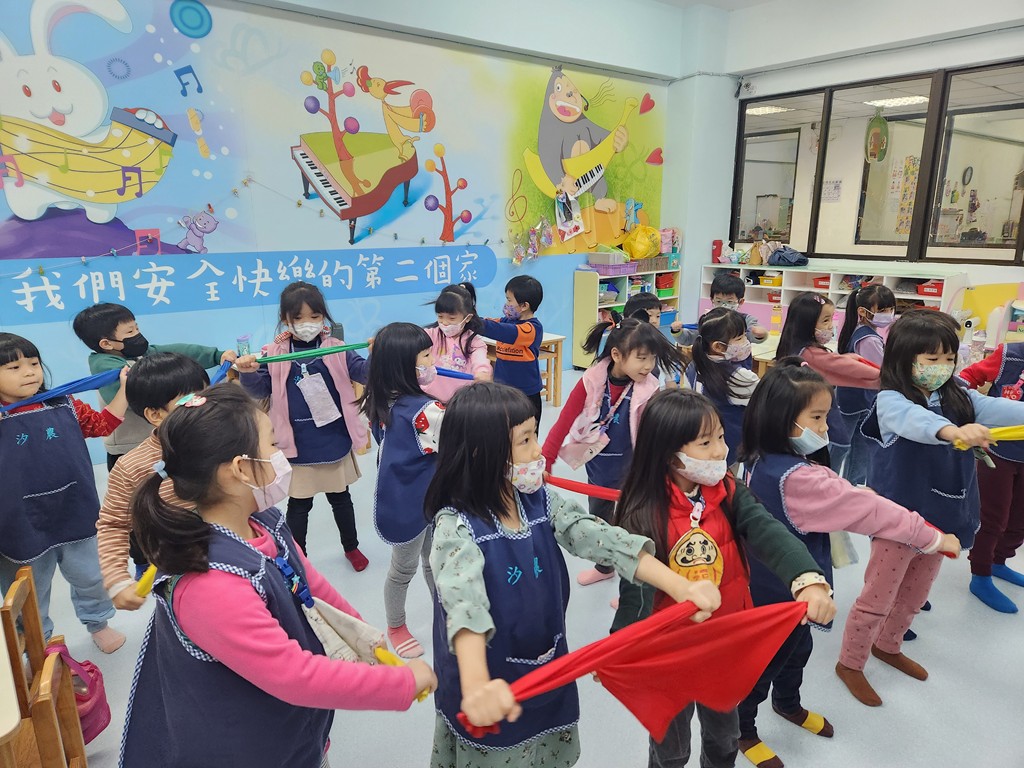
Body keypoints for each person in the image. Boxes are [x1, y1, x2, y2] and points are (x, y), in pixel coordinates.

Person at [120, 385, 435, 767]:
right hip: (247, 747)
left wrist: (363, 636)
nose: (281, 453)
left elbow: (309, 582)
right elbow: (293, 676)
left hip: (291, 725)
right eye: (272, 443)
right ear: (240, 469)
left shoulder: (261, 521)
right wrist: (400, 684)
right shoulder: (210, 588)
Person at [424, 381, 721, 768]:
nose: (538, 451)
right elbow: (464, 605)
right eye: (525, 441)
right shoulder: (456, 528)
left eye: (535, 435)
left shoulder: (539, 500)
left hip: (546, 665)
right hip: (485, 681)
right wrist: (478, 682)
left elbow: (602, 538)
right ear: (481, 452)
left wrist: (680, 585)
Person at [736, 360, 960, 768]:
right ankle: (743, 730)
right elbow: (871, 512)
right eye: (817, 418)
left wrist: (851, 490)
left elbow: (842, 496)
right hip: (781, 591)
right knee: (763, 666)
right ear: (781, 419)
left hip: (771, 584)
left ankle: (788, 704)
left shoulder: (761, 455)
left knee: (798, 650)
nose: (825, 427)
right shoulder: (798, 477)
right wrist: (933, 537)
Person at [611, 388, 836, 768]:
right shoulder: (642, 512)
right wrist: (622, 648)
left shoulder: (728, 490)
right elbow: (636, 590)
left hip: (724, 645)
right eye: (705, 443)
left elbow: (767, 530)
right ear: (668, 453)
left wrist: (807, 578)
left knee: (725, 739)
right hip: (672, 654)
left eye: (720, 436)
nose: (720, 450)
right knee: (671, 750)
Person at [836, 310, 1024, 707]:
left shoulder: (958, 395)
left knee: (914, 595)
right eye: (932, 359)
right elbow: (915, 421)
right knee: (877, 598)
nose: (942, 367)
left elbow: (1000, 410)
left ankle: (888, 645)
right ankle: (850, 663)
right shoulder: (890, 400)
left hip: (942, 517)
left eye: (949, 358)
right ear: (904, 359)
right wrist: (954, 431)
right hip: (898, 520)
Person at [73, 301, 235, 575]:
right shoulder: (106, 367)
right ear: (106, 343)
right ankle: (142, 559)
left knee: (180, 500)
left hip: (173, 443)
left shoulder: (145, 355)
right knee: (140, 511)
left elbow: (181, 351)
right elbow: (114, 521)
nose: (138, 335)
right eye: (129, 332)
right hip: (129, 450)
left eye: (136, 328)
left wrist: (216, 355)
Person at [0, 332, 129, 653]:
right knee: (28, 589)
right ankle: (37, 644)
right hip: (19, 521)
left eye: (33, 364)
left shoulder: (64, 403)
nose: (29, 372)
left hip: (74, 506)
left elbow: (102, 425)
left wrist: (126, 389)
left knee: (91, 576)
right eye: (14, 368)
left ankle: (98, 622)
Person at [237, 282, 370, 571]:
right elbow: (260, 390)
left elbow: (364, 373)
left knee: (341, 499)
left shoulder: (338, 348)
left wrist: (381, 354)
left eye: (314, 316)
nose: (307, 323)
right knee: (299, 506)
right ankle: (299, 557)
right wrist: (247, 373)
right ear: (285, 319)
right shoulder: (273, 353)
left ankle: (351, 546)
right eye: (298, 318)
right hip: (296, 442)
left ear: (323, 316)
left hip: (333, 438)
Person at [543, 316, 682, 585]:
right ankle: (604, 567)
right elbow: (564, 421)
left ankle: (635, 587)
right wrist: (546, 461)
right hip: (600, 466)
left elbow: (659, 433)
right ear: (617, 355)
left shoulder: (648, 388)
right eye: (642, 358)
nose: (649, 365)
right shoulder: (591, 381)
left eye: (652, 358)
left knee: (638, 525)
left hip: (635, 468)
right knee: (600, 518)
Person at [97, 352, 210, 610]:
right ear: (156, 415)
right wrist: (117, 580)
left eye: (207, 396)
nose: (205, 406)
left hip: (240, 554)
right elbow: (113, 524)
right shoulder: (131, 467)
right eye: (191, 401)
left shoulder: (226, 440)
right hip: (181, 573)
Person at [359, 322, 445, 658]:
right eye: (426, 356)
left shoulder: (385, 398)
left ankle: (444, 610)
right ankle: (396, 625)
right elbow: (463, 439)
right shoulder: (426, 411)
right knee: (406, 567)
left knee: (435, 559)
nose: (432, 361)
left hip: (422, 493)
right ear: (401, 366)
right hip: (413, 500)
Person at [776, 291, 880, 470]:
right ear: (807, 324)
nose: (830, 326)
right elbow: (846, 369)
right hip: (815, 426)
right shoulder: (809, 354)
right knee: (827, 465)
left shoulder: (795, 348)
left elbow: (836, 364)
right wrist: (889, 378)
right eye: (825, 320)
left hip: (805, 422)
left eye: (831, 319)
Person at [958, 341, 1024, 612]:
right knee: (992, 517)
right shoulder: (1010, 355)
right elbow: (966, 378)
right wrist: (963, 415)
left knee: (1019, 518)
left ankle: (999, 561)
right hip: (997, 451)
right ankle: (981, 573)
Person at [834, 284, 896, 485]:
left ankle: (852, 487)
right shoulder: (868, 339)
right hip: (855, 400)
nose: (888, 314)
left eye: (891, 309)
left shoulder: (859, 330)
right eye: (883, 310)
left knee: (858, 449)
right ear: (862, 311)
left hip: (859, 400)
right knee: (841, 448)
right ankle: (836, 485)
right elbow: (880, 371)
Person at [684, 307, 759, 467]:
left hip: (699, 442)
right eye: (740, 338)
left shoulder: (693, 366)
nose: (746, 341)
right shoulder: (738, 377)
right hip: (728, 446)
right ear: (718, 346)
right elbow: (765, 403)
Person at [480, 275, 545, 426]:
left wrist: (477, 324)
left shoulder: (532, 328)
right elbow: (489, 323)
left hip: (526, 394)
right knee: (503, 432)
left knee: (526, 432)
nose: (506, 304)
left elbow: (506, 332)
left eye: (509, 300)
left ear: (524, 305)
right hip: (502, 391)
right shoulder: (505, 321)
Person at [422, 282, 491, 402]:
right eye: (440, 317)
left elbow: (480, 360)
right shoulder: (430, 335)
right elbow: (412, 344)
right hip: (430, 400)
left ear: (467, 318)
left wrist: (482, 372)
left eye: (452, 318)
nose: (445, 322)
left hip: (459, 402)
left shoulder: (475, 342)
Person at [674, 273, 768, 347]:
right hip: (710, 363)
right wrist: (678, 331)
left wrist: (760, 334)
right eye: (719, 301)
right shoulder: (709, 319)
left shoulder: (746, 320)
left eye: (729, 301)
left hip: (736, 363)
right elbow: (688, 339)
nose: (723, 306)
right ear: (712, 300)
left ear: (740, 301)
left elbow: (754, 336)